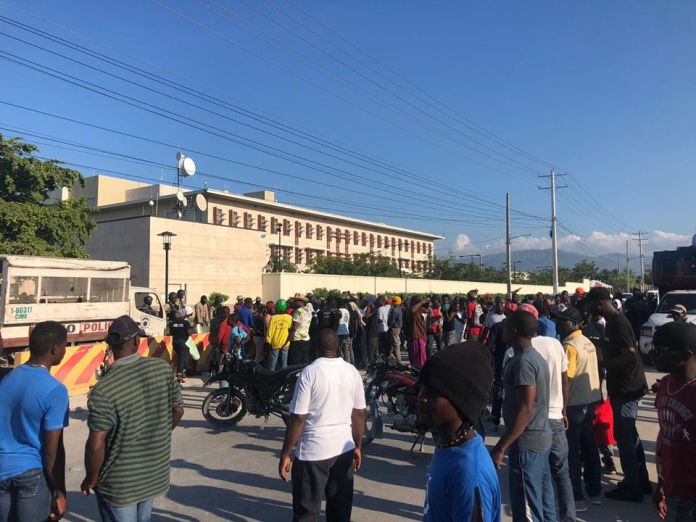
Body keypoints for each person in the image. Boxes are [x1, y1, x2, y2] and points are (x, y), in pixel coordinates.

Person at [81, 316, 184, 522]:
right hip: (152, 474)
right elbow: (178, 411)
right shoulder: (162, 369)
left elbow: (96, 444)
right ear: (137, 341)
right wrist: (157, 434)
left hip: (120, 484)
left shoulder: (104, 389)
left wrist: (91, 478)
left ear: (110, 345)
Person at [279, 329, 366, 522]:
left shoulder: (310, 372)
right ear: (338, 347)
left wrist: (286, 453)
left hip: (313, 452)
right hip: (344, 450)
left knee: (307, 511)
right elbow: (359, 414)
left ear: (315, 347)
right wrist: (358, 446)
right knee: (340, 509)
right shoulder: (352, 371)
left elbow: (298, 418)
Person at [418, 342, 502, 522]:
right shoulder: (448, 445)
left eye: (433, 393)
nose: (422, 399)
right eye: (422, 390)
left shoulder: (469, 473)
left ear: (461, 402)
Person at [490, 310, 555, 522]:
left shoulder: (523, 362)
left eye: (507, 325)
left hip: (527, 442)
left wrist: (501, 447)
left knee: (527, 504)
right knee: (543, 499)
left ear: (515, 331)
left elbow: (525, 409)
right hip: (539, 438)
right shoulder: (532, 357)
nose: (503, 328)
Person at [0, 322, 69, 522]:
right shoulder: (55, 390)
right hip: (31, 474)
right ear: (55, 349)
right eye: (64, 346)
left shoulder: (8, 378)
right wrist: (59, 492)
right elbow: (52, 452)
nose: (65, 351)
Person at [586, 287, 649, 502]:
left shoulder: (618, 323)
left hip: (627, 387)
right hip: (624, 386)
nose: (588, 307)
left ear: (600, 302)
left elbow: (630, 356)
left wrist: (603, 363)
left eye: (590, 303)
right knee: (630, 435)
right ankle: (641, 479)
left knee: (624, 437)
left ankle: (633, 487)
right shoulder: (614, 322)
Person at [522, 303, 576, 520]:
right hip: (555, 417)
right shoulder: (555, 344)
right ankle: (568, 516)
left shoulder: (518, 349)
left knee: (540, 475)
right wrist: (564, 410)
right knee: (562, 473)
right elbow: (564, 380)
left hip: (534, 422)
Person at [556, 307, 603, 510]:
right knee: (590, 447)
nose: (559, 324)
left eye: (563, 321)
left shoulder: (569, 345)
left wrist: (562, 408)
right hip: (590, 401)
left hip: (574, 404)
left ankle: (576, 496)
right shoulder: (587, 342)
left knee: (572, 451)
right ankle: (595, 491)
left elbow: (567, 378)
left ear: (574, 324)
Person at [652, 322, 696, 522]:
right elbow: (663, 433)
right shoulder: (666, 384)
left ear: (685, 355)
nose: (654, 355)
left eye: (661, 350)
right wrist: (661, 482)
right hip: (672, 489)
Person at [266, 299, 292, 371]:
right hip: (285, 342)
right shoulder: (289, 317)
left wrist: (269, 341)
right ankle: (284, 378)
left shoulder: (274, 318)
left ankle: (271, 377)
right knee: (284, 362)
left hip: (275, 343)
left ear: (277, 307)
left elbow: (270, 331)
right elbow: (290, 330)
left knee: (273, 362)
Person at [170, 308, 195, 383]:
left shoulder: (172, 322)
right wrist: (193, 330)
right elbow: (189, 333)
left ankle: (183, 373)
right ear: (184, 314)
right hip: (183, 342)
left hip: (175, 342)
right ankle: (179, 376)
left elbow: (171, 332)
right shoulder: (185, 322)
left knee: (181, 357)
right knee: (182, 358)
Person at [290, 294, 312, 365]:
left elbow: (294, 327)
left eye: (296, 301)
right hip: (306, 339)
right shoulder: (308, 310)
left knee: (296, 363)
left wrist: (288, 339)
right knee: (305, 362)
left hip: (297, 340)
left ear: (301, 302)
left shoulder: (297, 311)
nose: (294, 302)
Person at [410, 296, 429, 369]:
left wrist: (424, 302)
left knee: (422, 357)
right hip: (417, 336)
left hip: (422, 336)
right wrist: (422, 302)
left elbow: (426, 310)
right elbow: (412, 310)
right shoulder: (414, 310)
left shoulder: (421, 309)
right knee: (418, 358)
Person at [336, 300, 354, 365]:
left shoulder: (338, 311)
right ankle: (348, 364)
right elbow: (348, 322)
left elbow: (337, 322)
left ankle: (342, 364)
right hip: (346, 332)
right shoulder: (347, 311)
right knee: (347, 350)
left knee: (339, 350)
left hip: (339, 333)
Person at [388, 296, 403, 361]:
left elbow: (392, 320)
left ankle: (398, 359)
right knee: (396, 343)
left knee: (395, 344)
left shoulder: (394, 310)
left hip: (394, 328)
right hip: (398, 328)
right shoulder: (399, 309)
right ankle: (395, 358)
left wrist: (389, 325)